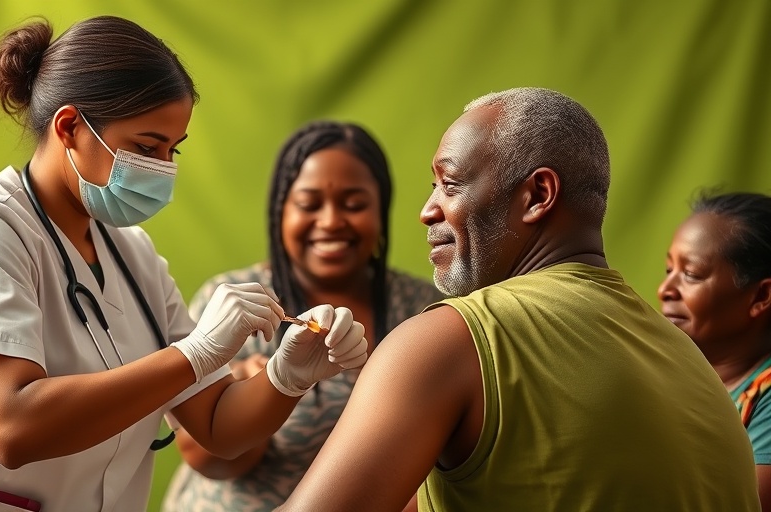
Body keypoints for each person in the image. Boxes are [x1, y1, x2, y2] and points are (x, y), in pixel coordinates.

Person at [0, 16, 369, 512]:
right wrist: (196, 353)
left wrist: (287, 378)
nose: (164, 169)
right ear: (69, 128)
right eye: (147, 147)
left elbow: (218, 426)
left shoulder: (134, 256)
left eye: (172, 150)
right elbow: (11, 426)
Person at [275, 87, 760, 511]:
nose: (427, 211)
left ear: (537, 195)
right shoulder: (693, 366)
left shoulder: (448, 341)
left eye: (450, 184)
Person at [161, 120, 444, 512]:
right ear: (280, 211)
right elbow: (212, 461)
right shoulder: (234, 302)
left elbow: (437, 460)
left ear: (382, 210)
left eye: (354, 204)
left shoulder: (422, 311)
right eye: (309, 204)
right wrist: (256, 389)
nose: (330, 222)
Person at [659, 191, 771, 509]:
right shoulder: (671, 379)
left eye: (691, 274)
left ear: (761, 296)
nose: (665, 290)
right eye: (669, 270)